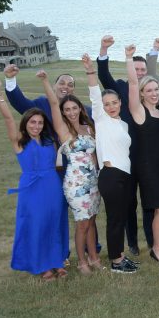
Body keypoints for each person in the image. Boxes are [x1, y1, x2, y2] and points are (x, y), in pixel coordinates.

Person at [0, 84, 68, 281]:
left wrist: (45, 83)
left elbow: (53, 104)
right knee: (37, 224)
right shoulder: (19, 141)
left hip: (52, 185)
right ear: (26, 123)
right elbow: (8, 118)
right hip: (32, 188)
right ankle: (41, 265)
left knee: (54, 222)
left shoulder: (50, 140)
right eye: (32, 122)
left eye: (40, 123)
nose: (36, 126)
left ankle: (57, 260)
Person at [97, 33, 159, 255]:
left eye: (143, 70)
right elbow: (103, 75)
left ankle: (155, 242)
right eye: (136, 69)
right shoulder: (122, 88)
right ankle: (132, 243)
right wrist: (104, 51)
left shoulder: (152, 95)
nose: (140, 73)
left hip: (145, 156)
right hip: (123, 157)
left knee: (150, 201)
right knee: (128, 204)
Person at [82, 55, 139, 273]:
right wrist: (90, 72)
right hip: (110, 175)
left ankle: (120, 255)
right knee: (115, 220)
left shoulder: (123, 124)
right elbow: (95, 96)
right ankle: (115, 262)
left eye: (114, 103)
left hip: (124, 175)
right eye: (107, 104)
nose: (111, 107)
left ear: (120, 103)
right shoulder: (101, 119)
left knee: (121, 217)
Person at [40, 70, 100, 274]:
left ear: (80, 108)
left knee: (91, 220)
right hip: (75, 184)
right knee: (82, 223)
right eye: (68, 109)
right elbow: (54, 103)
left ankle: (94, 258)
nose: (72, 112)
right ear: (63, 112)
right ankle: (82, 261)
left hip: (93, 181)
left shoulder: (89, 128)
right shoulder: (63, 130)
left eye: (75, 108)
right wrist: (46, 81)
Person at [126, 45, 159, 265]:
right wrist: (129, 58)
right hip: (147, 167)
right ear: (142, 93)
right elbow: (133, 82)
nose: (154, 93)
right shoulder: (139, 111)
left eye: (156, 90)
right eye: (150, 90)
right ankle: (156, 249)